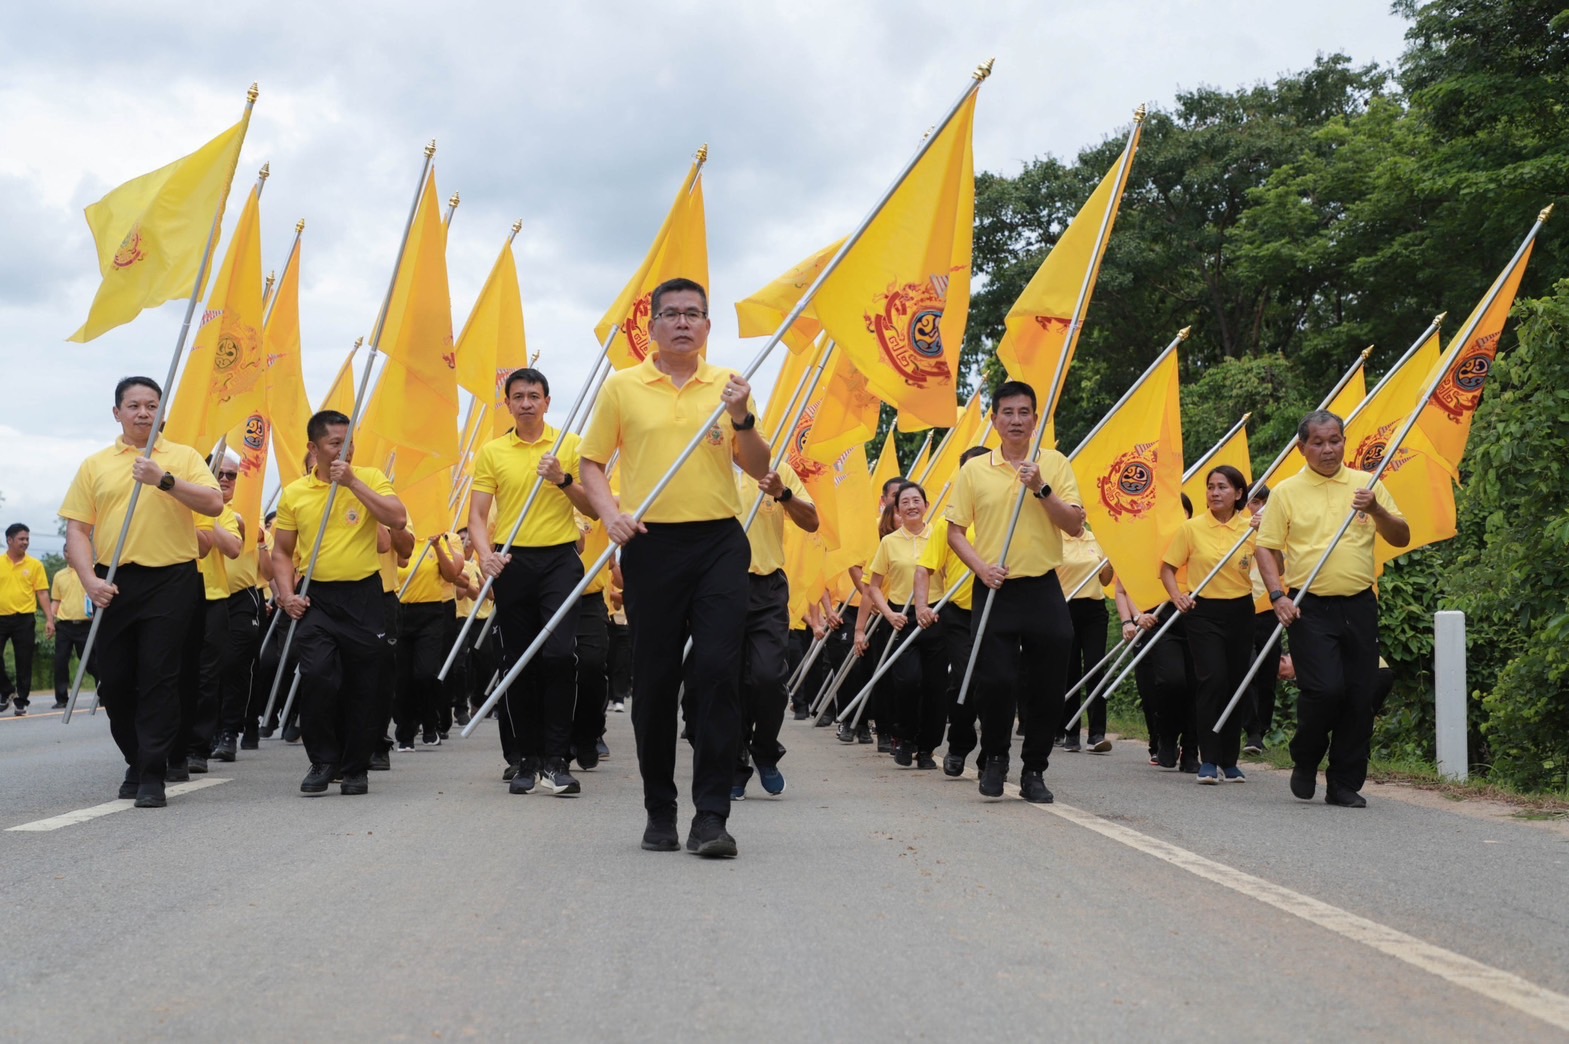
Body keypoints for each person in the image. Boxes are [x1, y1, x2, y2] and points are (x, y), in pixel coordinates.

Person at [580, 277, 769, 858]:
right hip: (651, 545)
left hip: (718, 543)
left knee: (716, 673)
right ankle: (659, 810)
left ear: (707, 326)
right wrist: (610, 515)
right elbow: (591, 463)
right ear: (652, 326)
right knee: (656, 682)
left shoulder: (730, 386)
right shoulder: (622, 387)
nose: (683, 322)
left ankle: (712, 817)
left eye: (694, 313)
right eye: (671, 314)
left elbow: (758, 465)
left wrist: (741, 418)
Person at [59, 376, 223, 807]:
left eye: (152, 405)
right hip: (113, 581)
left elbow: (213, 504)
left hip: (172, 579)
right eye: (133, 406)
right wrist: (89, 580)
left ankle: (152, 772)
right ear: (117, 412)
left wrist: (163, 479)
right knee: (114, 680)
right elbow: (77, 530)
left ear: (162, 412)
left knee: (158, 676)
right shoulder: (95, 464)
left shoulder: (182, 457)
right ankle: (136, 757)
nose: (143, 413)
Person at [1257, 410, 1408, 808]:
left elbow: (1400, 534)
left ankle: (1343, 782)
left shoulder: (1366, 485)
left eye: (1335, 440)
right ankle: (1305, 756)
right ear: (1301, 447)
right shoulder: (1286, 492)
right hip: (1308, 608)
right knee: (1324, 690)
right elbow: (1266, 548)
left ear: (1345, 441)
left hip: (1359, 604)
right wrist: (1278, 596)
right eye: (1319, 443)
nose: (1328, 449)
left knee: (1361, 695)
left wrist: (1376, 509)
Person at [945, 381, 1083, 803]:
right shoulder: (974, 470)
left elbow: (1075, 524)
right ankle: (996, 757)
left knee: (1046, 684)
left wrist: (1041, 488)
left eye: (1025, 412)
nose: (1016, 420)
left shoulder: (1054, 464)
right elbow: (955, 532)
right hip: (995, 588)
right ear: (994, 419)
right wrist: (981, 568)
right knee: (997, 681)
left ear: (1035, 418)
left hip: (1042, 587)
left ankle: (1035, 769)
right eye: (1008, 412)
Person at [470, 367, 598, 798]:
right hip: (513, 560)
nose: (526, 403)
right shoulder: (492, 452)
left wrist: (562, 479)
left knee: (560, 656)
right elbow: (478, 515)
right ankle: (527, 759)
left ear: (547, 401)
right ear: (507, 403)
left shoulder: (571, 446)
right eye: (518, 396)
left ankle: (558, 761)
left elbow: (595, 509)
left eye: (534, 396)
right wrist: (486, 555)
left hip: (560, 560)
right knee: (518, 661)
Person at [272, 410, 408, 796]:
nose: (343, 451)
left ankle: (355, 766)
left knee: (366, 685)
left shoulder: (370, 478)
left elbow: (397, 519)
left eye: (349, 444)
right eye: (335, 444)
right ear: (314, 449)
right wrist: (286, 595)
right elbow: (282, 551)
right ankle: (323, 760)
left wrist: (353, 483)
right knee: (317, 676)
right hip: (317, 597)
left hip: (364, 596)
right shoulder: (295, 493)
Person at [1160, 464, 1257, 784]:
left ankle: (1230, 760)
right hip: (1203, 614)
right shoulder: (1192, 528)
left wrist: (1264, 531)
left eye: (1222, 487)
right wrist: (1177, 597)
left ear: (1239, 493)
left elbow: (1278, 563)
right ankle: (1208, 758)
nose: (1214, 493)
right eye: (1211, 487)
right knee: (1212, 679)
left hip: (1241, 611)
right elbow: (1167, 569)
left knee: (1235, 683)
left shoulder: (1249, 528)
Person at [733, 463, 817, 798]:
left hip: (767, 587)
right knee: (728, 681)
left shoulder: (777, 468)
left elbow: (811, 521)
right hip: (721, 586)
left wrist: (782, 493)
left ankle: (765, 750)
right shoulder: (706, 459)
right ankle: (735, 762)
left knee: (768, 677)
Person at [856, 480, 944, 769]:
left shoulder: (940, 536)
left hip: (935, 617)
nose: (911, 506)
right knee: (907, 682)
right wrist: (888, 614)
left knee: (934, 687)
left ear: (926, 505)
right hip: (901, 619)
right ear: (896, 509)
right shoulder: (889, 542)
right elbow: (873, 586)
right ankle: (904, 738)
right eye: (904, 502)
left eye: (916, 501)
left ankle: (927, 748)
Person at [914, 446, 989, 775]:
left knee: (1000, 683)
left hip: (1001, 610)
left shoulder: (1009, 516)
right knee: (964, 681)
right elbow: (924, 569)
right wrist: (921, 605)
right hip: (961, 614)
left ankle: (993, 753)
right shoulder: (949, 523)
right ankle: (959, 744)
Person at [194, 460, 243, 767]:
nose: (224, 479)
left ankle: (197, 748)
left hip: (212, 598)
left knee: (207, 678)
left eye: (230, 475)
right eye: (218, 473)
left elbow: (234, 549)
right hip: (173, 597)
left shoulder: (224, 512)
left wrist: (204, 513)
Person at [1056, 523, 1116, 753]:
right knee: (1070, 670)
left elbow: (1105, 580)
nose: (1077, 513)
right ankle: (1070, 731)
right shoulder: (1057, 539)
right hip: (1065, 608)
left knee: (1095, 667)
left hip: (1094, 610)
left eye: (1080, 508)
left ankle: (1097, 733)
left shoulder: (1096, 539)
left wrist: (1111, 560)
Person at [1241, 485, 1281, 754]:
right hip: (1241, 610)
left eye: (1259, 503)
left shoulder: (1278, 530)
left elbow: (1282, 565)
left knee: (1268, 673)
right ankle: (1251, 731)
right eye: (1251, 503)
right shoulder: (1238, 529)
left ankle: (1263, 728)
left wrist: (1264, 532)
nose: (1255, 509)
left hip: (1269, 610)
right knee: (1247, 671)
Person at [0, 523, 52, 716]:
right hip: (1, 618)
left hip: (24, 620)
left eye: (27, 539)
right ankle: (6, 691)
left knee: (24, 661)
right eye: (21, 539)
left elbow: (43, 593)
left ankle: (21, 701)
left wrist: (49, 620)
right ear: (9, 540)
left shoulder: (35, 565)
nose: (25, 542)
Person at [49, 563, 94, 709]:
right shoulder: (59, 575)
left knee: (92, 661)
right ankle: (62, 698)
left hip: (87, 624)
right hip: (65, 625)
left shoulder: (92, 570)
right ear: (66, 554)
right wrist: (50, 620)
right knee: (60, 661)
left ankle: (104, 694)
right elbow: (56, 600)